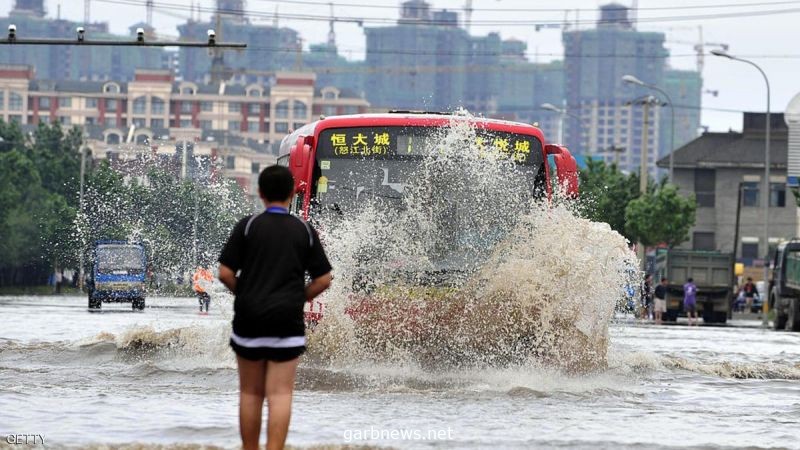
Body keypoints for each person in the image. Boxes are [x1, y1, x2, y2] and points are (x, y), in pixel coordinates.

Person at [218, 165, 332, 450]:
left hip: (249, 320)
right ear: (293, 192)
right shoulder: (304, 230)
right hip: (287, 321)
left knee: (250, 393)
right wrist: (299, 298)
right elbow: (324, 278)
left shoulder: (247, 226)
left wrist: (244, 294)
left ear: (260, 193)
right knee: (280, 394)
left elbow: (224, 273)